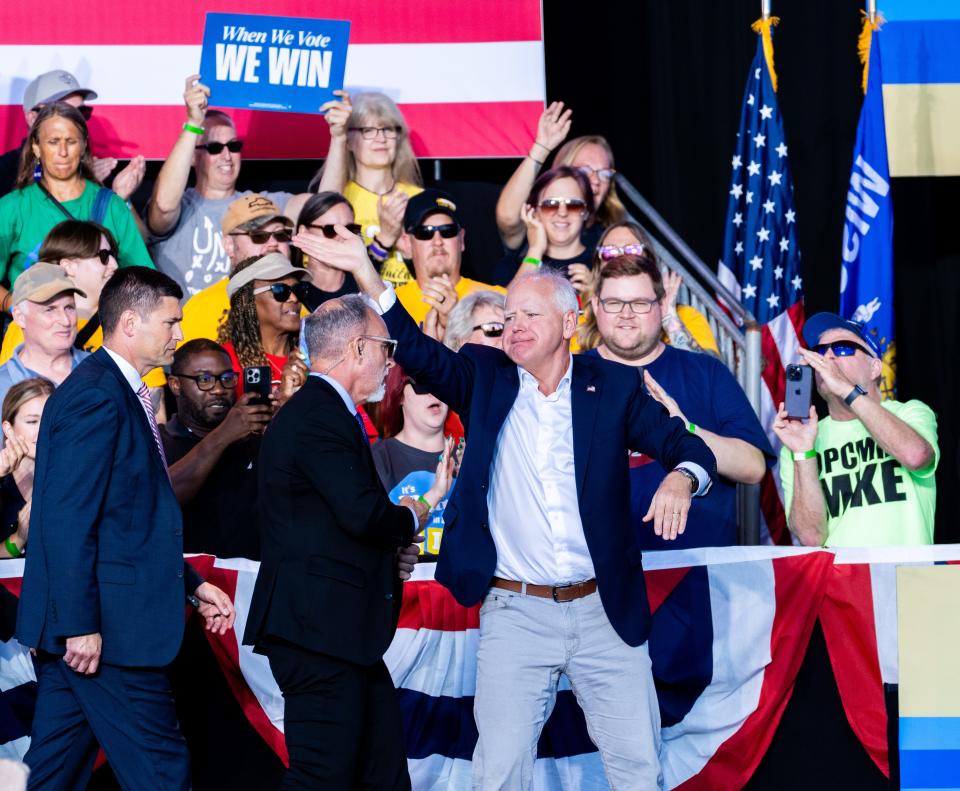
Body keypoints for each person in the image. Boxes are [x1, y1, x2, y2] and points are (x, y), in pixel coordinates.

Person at [310, 229, 716, 790]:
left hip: (603, 610)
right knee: (499, 775)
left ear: (571, 323)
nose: (514, 326)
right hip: (515, 610)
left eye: (530, 315)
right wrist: (366, 270)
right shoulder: (485, 375)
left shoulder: (615, 387)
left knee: (638, 770)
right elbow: (419, 352)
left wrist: (680, 480)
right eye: (509, 315)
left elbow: (689, 448)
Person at [15, 266, 236, 790]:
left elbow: (129, 519)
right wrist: (78, 624)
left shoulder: (116, 391)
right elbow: (67, 519)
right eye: (171, 322)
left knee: (52, 775)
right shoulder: (96, 396)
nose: (179, 334)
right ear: (131, 323)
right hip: (108, 633)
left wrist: (192, 584)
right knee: (162, 773)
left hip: (104, 625)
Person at [243, 295, 452, 788]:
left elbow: (334, 520)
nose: (390, 359)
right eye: (386, 347)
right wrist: (416, 514)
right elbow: (364, 513)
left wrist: (387, 547)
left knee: (382, 775)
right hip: (317, 635)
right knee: (323, 777)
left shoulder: (328, 413)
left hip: (341, 636)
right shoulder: (316, 415)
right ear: (359, 348)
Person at [584, 254, 772, 548]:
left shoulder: (705, 372)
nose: (626, 313)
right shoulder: (573, 375)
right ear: (596, 307)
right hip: (598, 573)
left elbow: (753, 467)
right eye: (614, 303)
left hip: (698, 575)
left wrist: (688, 430)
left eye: (640, 303)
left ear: (661, 306)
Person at [146, 76, 336, 296]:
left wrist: (339, 136)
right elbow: (163, 206)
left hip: (244, 326)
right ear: (193, 156)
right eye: (215, 147)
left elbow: (327, 209)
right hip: (185, 328)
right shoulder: (180, 205)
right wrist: (194, 124)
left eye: (234, 146)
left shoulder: (259, 206)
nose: (227, 156)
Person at [774, 312, 939, 547]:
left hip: (908, 577)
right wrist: (803, 452)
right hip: (842, 579)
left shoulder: (909, 412)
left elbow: (916, 456)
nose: (828, 356)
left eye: (842, 349)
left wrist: (847, 390)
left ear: (874, 368)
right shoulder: (800, 440)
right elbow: (811, 537)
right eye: (821, 351)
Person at [0, 103, 153, 309]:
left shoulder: (111, 206)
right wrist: (17, 306)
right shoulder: (12, 208)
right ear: (36, 147)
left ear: (83, 146)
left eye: (70, 141)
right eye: (53, 142)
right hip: (30, 335)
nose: (62, 152)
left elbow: (144, 282)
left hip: (97, 334)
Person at [295, 190, 503, 338]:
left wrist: (455, 322)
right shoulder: (382, 303)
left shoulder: (498, 298)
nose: (437, 241)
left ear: (462, 238)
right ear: (405, 243)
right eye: (425, 233)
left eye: (447, 231)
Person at [0, 220, 167, 392]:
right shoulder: (26, 326)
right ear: (68, 266)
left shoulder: (134, 327)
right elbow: (7, 395)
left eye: (113, 255)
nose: (114, 265)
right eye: (103, 256)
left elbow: (153, 410)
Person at [162, 339, 271, 560]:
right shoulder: (159, 442)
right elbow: (161, 499)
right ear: (175, 385)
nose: (219, 389)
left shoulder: (254, 441)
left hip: (249, 584)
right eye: (204, 380)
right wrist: (223, 435)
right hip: (189, 585)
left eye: (227, 378)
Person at [311, 92, 423, 286]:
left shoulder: (418, 198)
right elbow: (328, 277)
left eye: (387, 129)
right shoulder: (341, 200)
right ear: (349, 140)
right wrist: (384, 239)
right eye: (368, 130)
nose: (381, 138)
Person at [495, 103, 625, 256]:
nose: (596, 180)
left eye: (604, 173)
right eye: (584, 170)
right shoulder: (537, 226)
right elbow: (508, 218)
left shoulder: (611, 237)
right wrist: (541, 149)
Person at [578, 220, 720, 355]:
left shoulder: (686, 316)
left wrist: (669, 319)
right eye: (609, 252)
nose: (620, 259)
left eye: (632, 250)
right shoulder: (581, 325)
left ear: (649, 260)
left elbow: (712, 376)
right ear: (598, 266)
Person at [0, 69, 146, 200]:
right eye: (65, 112)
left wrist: (120, 198)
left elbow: (140, 230)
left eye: (81, 113)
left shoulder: (95, 170)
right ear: (33, 118)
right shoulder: (5, 172)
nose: (76, 122)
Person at [178, 194, 296, 345]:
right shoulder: (203, 309)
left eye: (280, 234)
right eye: (258, 235)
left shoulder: (300, 301)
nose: (273, 243)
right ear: (229, 245)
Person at [373, 365, 455, 556]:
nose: (433, 392)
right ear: (399, 394)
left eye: (440, 381)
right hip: (407, 583)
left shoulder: (469, 455)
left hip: (458, 585)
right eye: (422, 383)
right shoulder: (378, 457)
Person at [218, 253, 309, 394]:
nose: (294, 298)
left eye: (298, 290)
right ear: (246, 301)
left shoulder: (313, 357)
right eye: (280, 290)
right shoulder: (223, 363)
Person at [0, 264, 89, 406]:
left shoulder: (103, 369)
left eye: (69, 308)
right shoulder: (3, 387)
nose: (65, 320)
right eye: (50, 310)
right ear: (20, 316)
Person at [495, 165, 596, 290]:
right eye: (551, 204)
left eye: (574, 204)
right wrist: (535, 252)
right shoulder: (510, 266)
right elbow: (503, 308)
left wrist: (594, 292)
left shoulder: (601, 264)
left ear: (586, 212)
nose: (562, 213)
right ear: (534, 212)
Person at [0, 378, 52, 560]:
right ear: (9, 429)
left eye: (49, 420)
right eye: (32, 422)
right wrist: (20, 538)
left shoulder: (70, 481)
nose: (43, 430)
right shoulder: (2, 482)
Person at [289, 191, 360, 310]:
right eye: (330, 230)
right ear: (303, 232)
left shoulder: (364, 285)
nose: (342, 237)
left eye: (350, 229)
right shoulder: (290, 291)